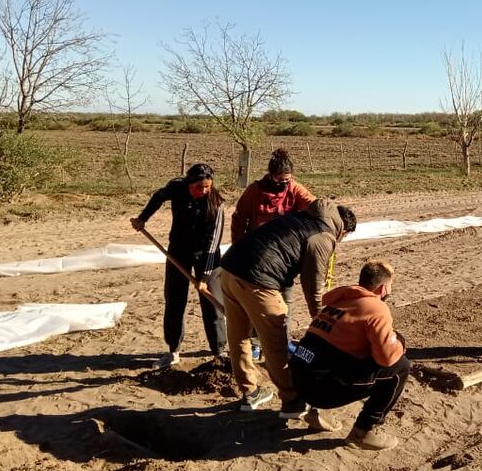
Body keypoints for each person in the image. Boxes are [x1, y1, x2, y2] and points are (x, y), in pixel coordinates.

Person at [218, 198, 357, 416]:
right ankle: (292, 401)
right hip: (258, 279)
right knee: (276, 343)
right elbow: (313, 281)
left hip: (229, 269)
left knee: (239, 337)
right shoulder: (324, 236)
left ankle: (250, 393)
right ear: (343, 230)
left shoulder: (302, 217)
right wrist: (318, 314)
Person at [288, 260, 408, 450]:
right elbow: (386, 358)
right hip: (320, 389)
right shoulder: (377, 308)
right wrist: (399, 343)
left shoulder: (337, 302)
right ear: (383, 288)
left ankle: (317, 412)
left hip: (298, 382)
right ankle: (363, 432)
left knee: (336, 354)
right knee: (400, 367)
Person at [130, 163, 227, 368]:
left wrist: (204, 277)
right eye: (198, 187)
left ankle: (219, 351)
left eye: (207, 187)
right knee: (174, 300)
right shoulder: (176, 188)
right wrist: (142, 219)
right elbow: (158, 197)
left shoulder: (216, 203)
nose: (203, 191)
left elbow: (214, 241)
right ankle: (173, 350)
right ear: (188, 183)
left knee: (212, 303)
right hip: (178, 252)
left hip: (207, 256)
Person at [231, 148, 317, 359]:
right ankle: (255, 342)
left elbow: (315, 206)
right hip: (257, 257)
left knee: (284, 301)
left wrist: (329, 213)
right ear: (270, 176)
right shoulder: (254, 191)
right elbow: (239, 219)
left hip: (284, 258)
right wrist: (238, 247)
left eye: (287, 180)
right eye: (279, 180)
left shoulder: (294, 189)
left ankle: (283, 342)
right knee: (255, 303)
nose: (283, 184)